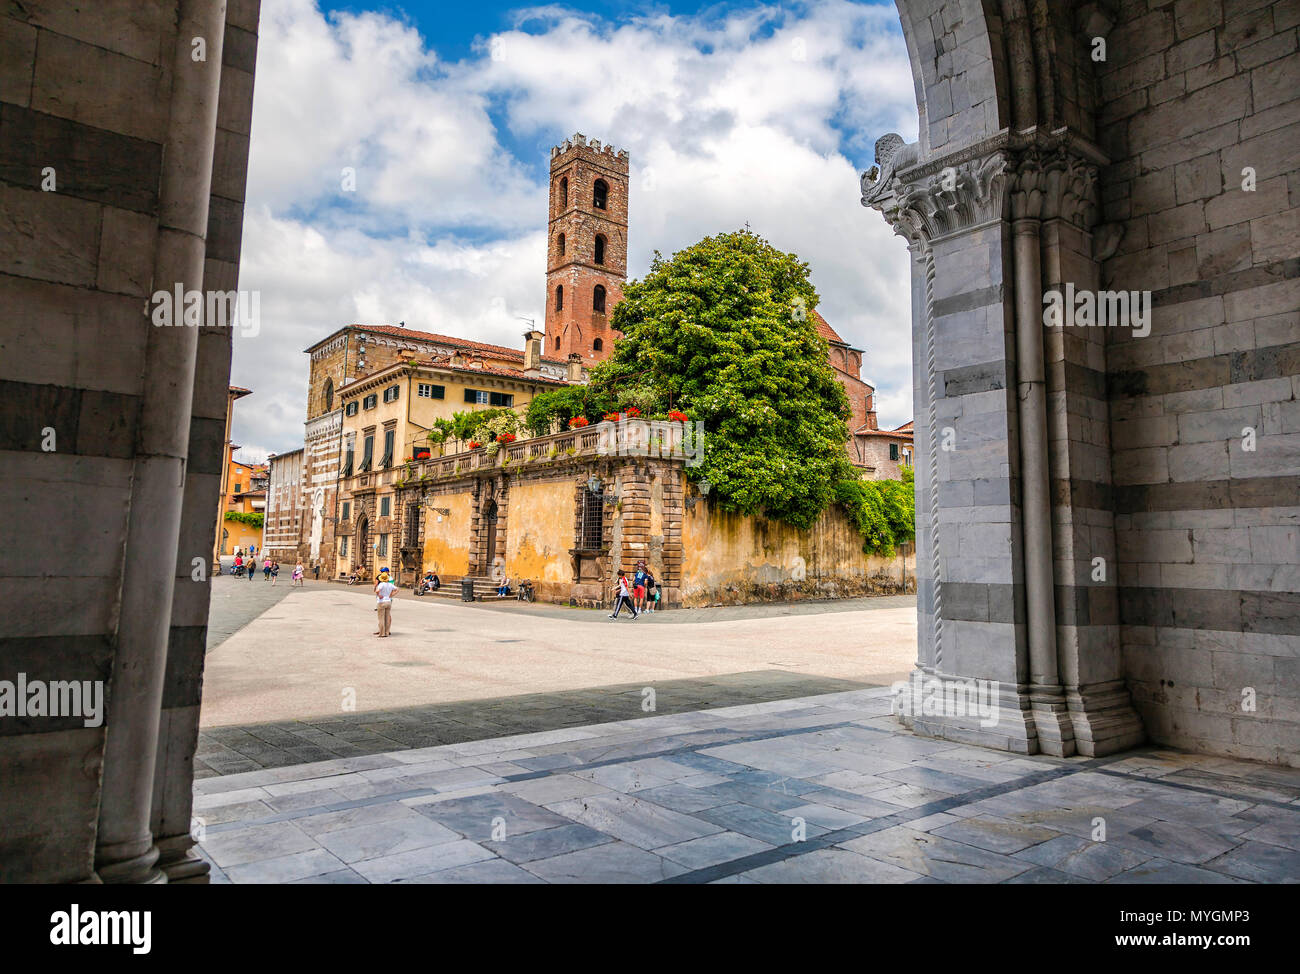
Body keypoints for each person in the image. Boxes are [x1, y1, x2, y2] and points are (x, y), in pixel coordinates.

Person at [374, 571, 396, 637]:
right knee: (387, 617)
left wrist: (378, 595)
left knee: (381, 618)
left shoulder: (381, 584)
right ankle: (387, 632)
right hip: (388, 602)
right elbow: (397, 589)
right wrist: (391, 595)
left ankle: (382, 633)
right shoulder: (390, 584)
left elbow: (377, 591)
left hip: (381, 602)